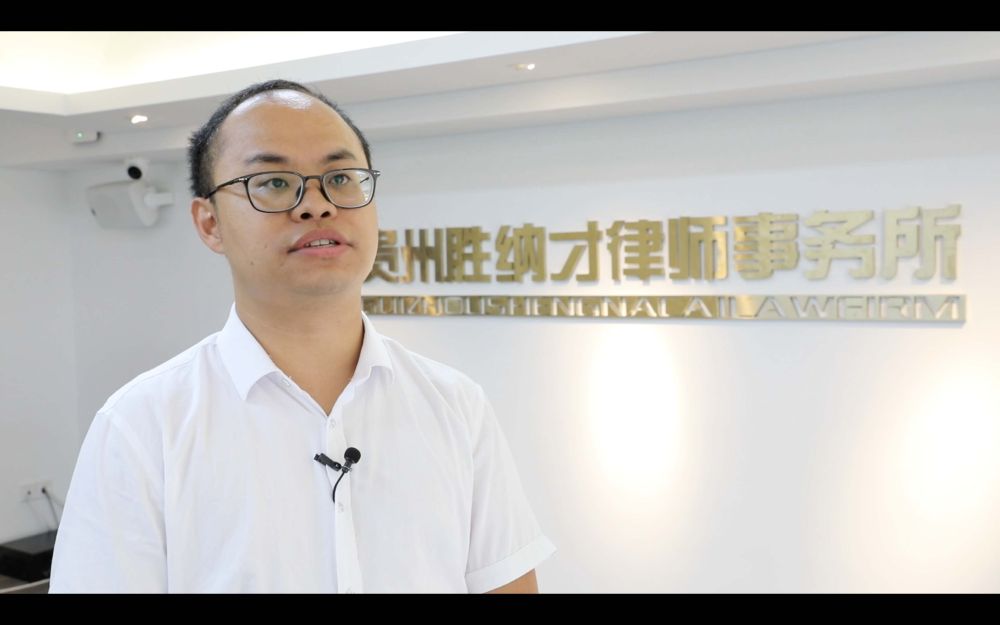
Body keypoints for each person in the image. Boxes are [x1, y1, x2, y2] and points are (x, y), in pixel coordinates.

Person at [49, 79, 555, 593]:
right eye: (273, 182)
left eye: (341, 178)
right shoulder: (142, 426)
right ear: (209, 223)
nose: (316, 205)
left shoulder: (455, 404)